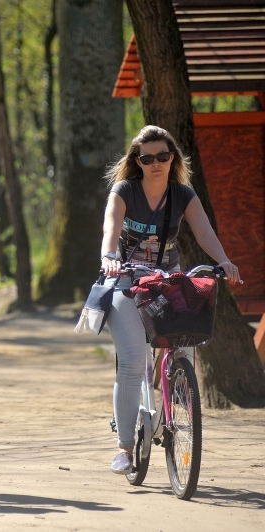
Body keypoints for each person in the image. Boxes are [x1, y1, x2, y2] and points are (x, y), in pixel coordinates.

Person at [100, 125, 240, 475]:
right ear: (137, 161)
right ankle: (124, 448)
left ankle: (175, 394)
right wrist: (108, 257)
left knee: (185, 347)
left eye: (163, 156)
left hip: (165, 282)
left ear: (173, 157)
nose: (156, 164)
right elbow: (111, 228)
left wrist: (223, 260)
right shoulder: (124, 190)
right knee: (132, 362)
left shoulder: (182, 195)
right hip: (126, 281)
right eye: (147, 158)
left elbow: (204, 231)